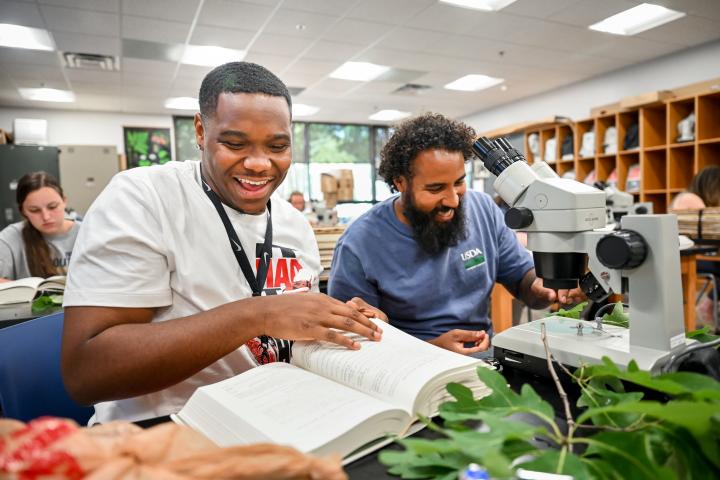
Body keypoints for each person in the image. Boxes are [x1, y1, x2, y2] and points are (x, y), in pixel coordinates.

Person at [62, 62, 384, 424]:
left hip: (279, 412)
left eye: (278, 146)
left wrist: (337, 323)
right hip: (165, 426)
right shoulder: (143, 198)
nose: (260, 164)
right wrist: (258, 314)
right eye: (235, 143)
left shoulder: (294, 223)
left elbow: (286, 342)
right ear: (200, 131)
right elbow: (86, 374)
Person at [328, 113, 582, 356]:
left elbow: (523, 281)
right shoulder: (359, 244)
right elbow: (353, 343)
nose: (453, 200)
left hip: (484, 363)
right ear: (400, 182)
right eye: (436, 188)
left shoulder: (483, 210)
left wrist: (545, 286)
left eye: (459, 183)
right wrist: (430, 349)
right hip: (406, 372)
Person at [0, 171, 80, 281]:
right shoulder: (9, 238)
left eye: (52, 207)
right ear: (23, 211)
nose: (46, 217)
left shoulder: (86, 233)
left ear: (64, 201)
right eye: (34, 210)